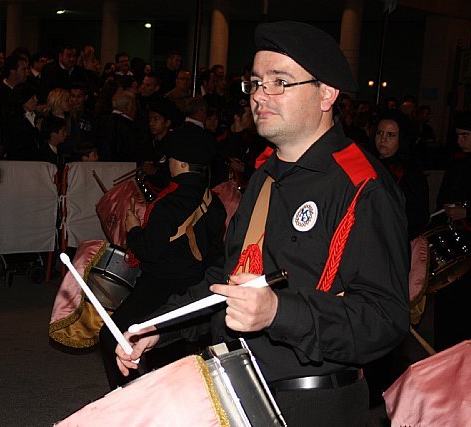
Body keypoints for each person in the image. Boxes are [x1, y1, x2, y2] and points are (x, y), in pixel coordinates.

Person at [116, 21, 409, 426]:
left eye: (279, 82)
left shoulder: (361, 186)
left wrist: (279, 312)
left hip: (315, 405)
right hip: (239, 391)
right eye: (254, 82)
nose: (258, 96)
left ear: (326, 93)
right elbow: (224, 280)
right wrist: (159, 328)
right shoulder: (265, 177)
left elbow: (386, 318)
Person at [100, 124, 227, 389]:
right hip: (196, 286)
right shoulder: (212, 199)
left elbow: (148, 250)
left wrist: (133, 226)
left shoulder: (170, 203)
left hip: (160, 286)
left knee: (113, 336)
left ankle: (126, 397)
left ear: (179, 163)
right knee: (168, 349)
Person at [433, 110, 471, 351]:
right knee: (448, 304)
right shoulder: (457, 162)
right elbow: (443, 196)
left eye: (466, 135)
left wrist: (467, 213)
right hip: (453, 245)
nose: (460, 140)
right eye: (458, 135)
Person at [374, 110, 430, 239]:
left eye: (391, 135)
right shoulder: (367, 162)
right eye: (379, 133)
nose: (383, 139)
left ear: (401, 138)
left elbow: (418, 217)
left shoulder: (410, 172)